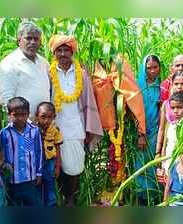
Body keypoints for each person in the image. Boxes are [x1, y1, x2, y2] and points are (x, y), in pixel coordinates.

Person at [48, 34, 103, 207]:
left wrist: (88, 128)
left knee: (74, 167)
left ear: (72, 52)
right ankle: (59, 199)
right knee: (54, 167)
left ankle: (70, 198)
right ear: (54, 53)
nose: (63, 54)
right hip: (53, 127)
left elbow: (88, 100)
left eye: (66, 50)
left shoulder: (82, 73)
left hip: (75, 127)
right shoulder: (48, 72)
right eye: (59, 50)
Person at [0, 21, 51, 118]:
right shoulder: (9, 63)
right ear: (19, 40)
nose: (32, 42)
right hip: (22, 126)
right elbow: (6, 100)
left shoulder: (44, 63)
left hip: (44, 124)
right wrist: (22, 123)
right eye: (28, 38)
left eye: (36, 39)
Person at [0, 97, 43, 206]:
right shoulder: (4, 133)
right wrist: (3, 171)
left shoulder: (34, 131)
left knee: (33, 204)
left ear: (28, 114)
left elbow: (39, 152)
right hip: (13, 179)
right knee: (14, 204)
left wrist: (39, 173)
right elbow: (1, 153)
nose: (19, 118)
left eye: (23, 114)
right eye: (15, 115)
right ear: (9, 115)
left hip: (30, 178)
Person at [135, 54, 162, 205]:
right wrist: (141, 134)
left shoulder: (163, 85)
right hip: (143, 133)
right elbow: (137, 112)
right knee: (141, 165)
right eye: (148, 68)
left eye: (155, 67)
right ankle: (142, 199)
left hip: (158, 133)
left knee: (155, 165)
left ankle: (155, 196)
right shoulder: (139, 87)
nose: (152, 71)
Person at [156, 71, 183, 170]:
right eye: (176, 84)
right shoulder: (167, 105)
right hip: (169, 151)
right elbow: (162, 129)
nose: (179, 87)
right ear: (172, 85)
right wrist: (158, 152)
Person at [34, 102, 63, 207]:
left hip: (50, 162)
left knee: (50, 186)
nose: (46, 120)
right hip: (36, 163)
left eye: (50, 117)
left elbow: (58, 147)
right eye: (43, 117)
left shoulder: (55, 130)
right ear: (37, 116)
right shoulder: (33, 130)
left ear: (54, 117)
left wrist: (57, 166)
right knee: (37, 186)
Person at [159, 91, 183, 180]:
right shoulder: (171, 124)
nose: (175, 111)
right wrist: (163, 163)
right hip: (168, 164)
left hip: (182, 168)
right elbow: (166, 145)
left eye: (179, 107)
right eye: (173, 108)